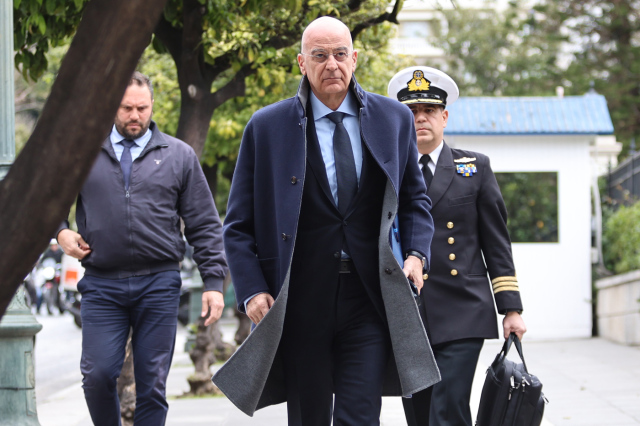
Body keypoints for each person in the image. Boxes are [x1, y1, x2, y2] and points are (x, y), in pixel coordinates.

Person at [213, 16, 439, 426]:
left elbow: (414, 199)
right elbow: (238, 223)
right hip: (301, 298)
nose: (331, 64)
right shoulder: (266, 127)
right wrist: (252, 290)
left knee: (361, 417)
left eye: (339, 54)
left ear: (355, 59)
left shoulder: (394, 119)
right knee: (309, 417)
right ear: (302, 63)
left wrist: (417, 254)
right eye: (319, 55)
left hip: (369, 296)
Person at [56, 71, 227, 426]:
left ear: (151, 106)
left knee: (152, 386)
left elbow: (204, 223)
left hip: (159, 283)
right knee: (97, 376)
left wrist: (213, 282)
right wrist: (61, 232)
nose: (135, 115)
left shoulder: (179, 155)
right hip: (102, 283)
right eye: (126, 108)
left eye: (142, 108)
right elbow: (49, 200)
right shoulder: (82, 153)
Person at [387, 66, 527, 426]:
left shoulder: (475, 168)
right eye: (411, 112)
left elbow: (496, 243)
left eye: (429, 111)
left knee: (447, 409)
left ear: (444, 117)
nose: (420, 118)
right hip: (408, 312)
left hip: (463, 309)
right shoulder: (385, 173)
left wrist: (511, 309)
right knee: (419, 415)